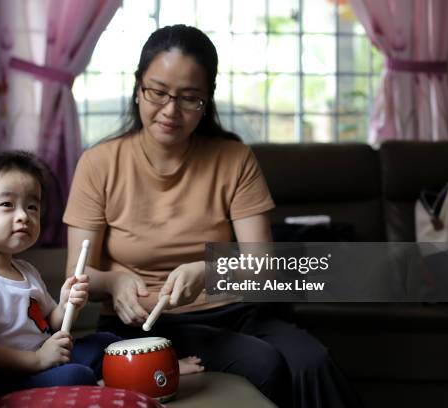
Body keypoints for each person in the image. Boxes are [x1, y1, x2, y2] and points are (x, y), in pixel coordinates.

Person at [63, 25, 363, 407]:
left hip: (234, 311)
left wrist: (208, 271)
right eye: (158, 92)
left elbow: (263, 265)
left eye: (190, 98)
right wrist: (117, 281)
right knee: (263, 362)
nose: (171, 110)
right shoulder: (98, 163)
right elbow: (78, 272)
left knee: (312, 360)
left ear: (207, 100)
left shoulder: (234, 159)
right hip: (144, 324)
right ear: (138, 88)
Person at [0, 151, 119, 401]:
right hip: (10, 378)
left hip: (46, 359)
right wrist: (36, 360)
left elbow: (53, 322)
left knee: (107, 343)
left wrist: (68, 303)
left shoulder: (26, 269)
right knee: (76, 377)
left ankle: (132, 376)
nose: (23, 216)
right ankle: (101, 387)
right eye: (7, 205)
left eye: (32, 206)